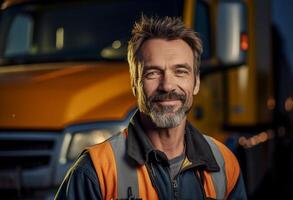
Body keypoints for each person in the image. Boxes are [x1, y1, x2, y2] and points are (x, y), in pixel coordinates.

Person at [55, 16, 247, 200]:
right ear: (134, 83)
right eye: (153, 73)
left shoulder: (225, 164)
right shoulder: (95, 171)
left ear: (196, 82)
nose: (167, 85)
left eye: (180, 72)